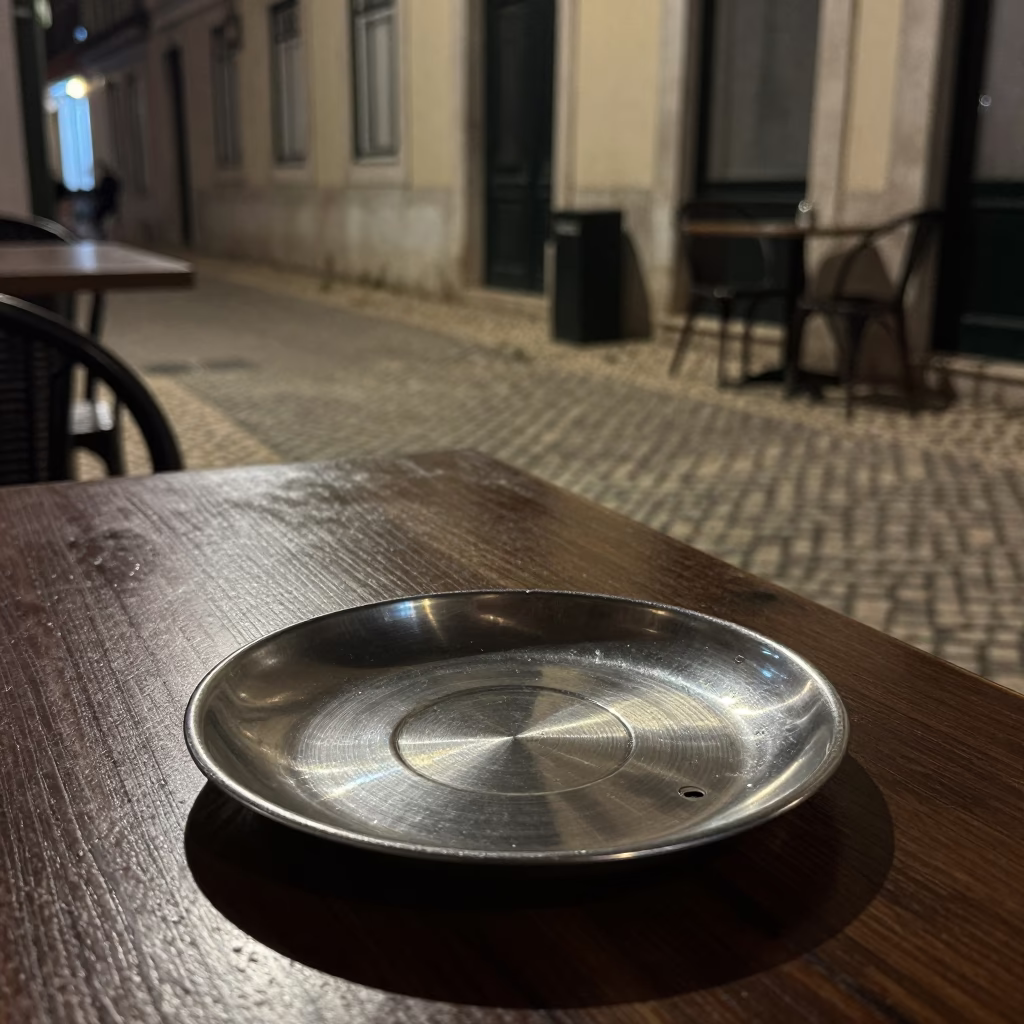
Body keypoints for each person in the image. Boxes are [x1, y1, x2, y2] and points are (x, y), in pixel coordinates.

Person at [91, 164, 121, 239]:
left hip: (108, 209)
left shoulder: (107, 183)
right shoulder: (109, 182)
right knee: (107, 228)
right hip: (108, 209)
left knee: (108, 228)